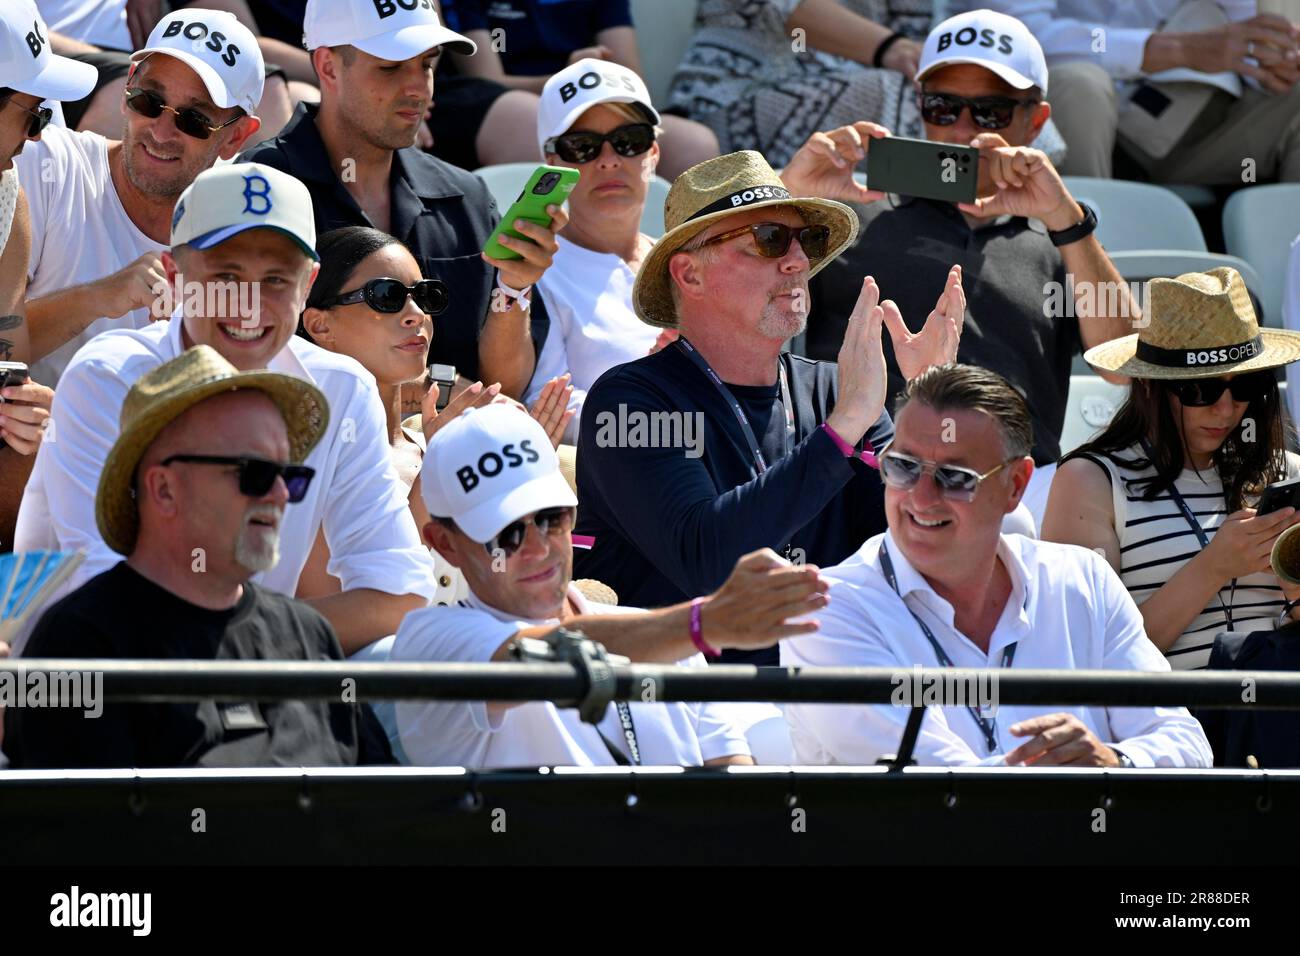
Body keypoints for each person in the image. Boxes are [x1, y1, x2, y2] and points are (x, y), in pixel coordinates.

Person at [13, 163, 436, 655]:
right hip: (102, 690)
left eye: (277, 280)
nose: (248, 305)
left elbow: (400, 595)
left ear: (308, 284)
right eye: (226, 276)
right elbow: (111, 603)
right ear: (175, 275)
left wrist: (250, 650)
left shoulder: (343, 387)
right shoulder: (109, 377)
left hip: (251, 680)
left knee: (407, 664)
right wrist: (251, 647)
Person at [574, 149, 964, 664]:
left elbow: (924, 548)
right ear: (689, 275)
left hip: (831, 692)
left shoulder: (836, 390)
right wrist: (844, 427)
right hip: (689, 706)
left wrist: (930, 404)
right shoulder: (628, 401)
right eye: (770, 240)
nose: (799, 261)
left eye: (808, 239)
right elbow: (708, 561)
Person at [795, 8, 1135, 524]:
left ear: (1036, 120)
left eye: (991, 112)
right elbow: (728, 310)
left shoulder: (1060, 238)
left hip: (1017, 495)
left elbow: (1124, 364)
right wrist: (788, 194)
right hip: (868, 483)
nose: (963, 130)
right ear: (921, 105)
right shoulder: (852, 211)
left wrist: (1066, 219)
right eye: (943, 106)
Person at [781, 363, 1214, 767]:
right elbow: (932, 790)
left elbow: (1185, 740)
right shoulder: (821, 608)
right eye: (903, 467)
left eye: (955, 477)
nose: (922, 497)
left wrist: (1113, 761)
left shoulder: (1084, 579)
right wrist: (1079, 776)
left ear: (1017, 485)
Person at [3, 345, 394, 769]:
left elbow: (383, 809)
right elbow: (88, 829)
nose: (281, 495)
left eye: (290, 475)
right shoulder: (81, 643)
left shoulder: (308, 635)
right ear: (165, 489)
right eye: (255, 473)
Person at [394, 402, 829, 767]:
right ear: (444, 545)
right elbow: (548, 653)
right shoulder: (427, 642)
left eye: (551, 518)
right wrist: (705, 623)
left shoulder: (673, 643)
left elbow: (736, 801)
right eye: (503, 534)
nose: (536, 548)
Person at [239, 0, 565, 395]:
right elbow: (252, 360)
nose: (418, 88)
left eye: (427, 64)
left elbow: (504, 387)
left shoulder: (466, 197)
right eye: (390, 67)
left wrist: (514, 287)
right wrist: (445, 394)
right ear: (327, 66)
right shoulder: (257, 189)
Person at [1042, 267, 1300, 670]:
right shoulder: (1090, 481)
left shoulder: (1290, 473)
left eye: (1245, 386)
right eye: (1202, 389)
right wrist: (1212, 568)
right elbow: (1084, 657)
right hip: (1169, 725)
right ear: (1149, 386)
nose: (1226, 408)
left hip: (1278, 718)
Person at [297, 224, 573, 601]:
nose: (416, 315)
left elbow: (513, 574)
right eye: (386, 296)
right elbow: (350, 598)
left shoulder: (437, 438)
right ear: (319, 325)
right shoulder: (307, 455)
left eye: (425, 296)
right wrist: (436, 470)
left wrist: (528, 472)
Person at [17, 8, 266, 386]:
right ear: (128, 86)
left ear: (236, 137)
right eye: (148, 101)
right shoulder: (46, 161)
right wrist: (98, 298)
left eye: (194, 120)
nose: (162, 132)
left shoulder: (247, 227)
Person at [967, 0, 1300, 181]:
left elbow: (1254, 38)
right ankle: (1084, 263)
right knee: (1081, 85)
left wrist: (1274, 61)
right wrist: (1173, 50)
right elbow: (1015, 40)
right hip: (1066, 121)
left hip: (1187, 136)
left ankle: (1289, 281)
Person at [523, 58, 676, 443]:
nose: (608, 160)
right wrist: (645, 397)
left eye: (629, 141)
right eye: (583, 147)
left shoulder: (685, 262)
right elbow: (544, 407)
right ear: (552, 163)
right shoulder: (532, 273)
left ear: (653, 153)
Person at [0, 0, 92, 544]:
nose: (37, 137)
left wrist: (20, 408)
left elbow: (6, 364)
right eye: (33, 115)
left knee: (29, 434)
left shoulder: (8, 198)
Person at [439, 0, 718, 178]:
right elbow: (486, 79)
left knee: (693, 143)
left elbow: (631, 77)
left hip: (601, 105)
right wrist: (568, 79)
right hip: (512, 109)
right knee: (532, 123)